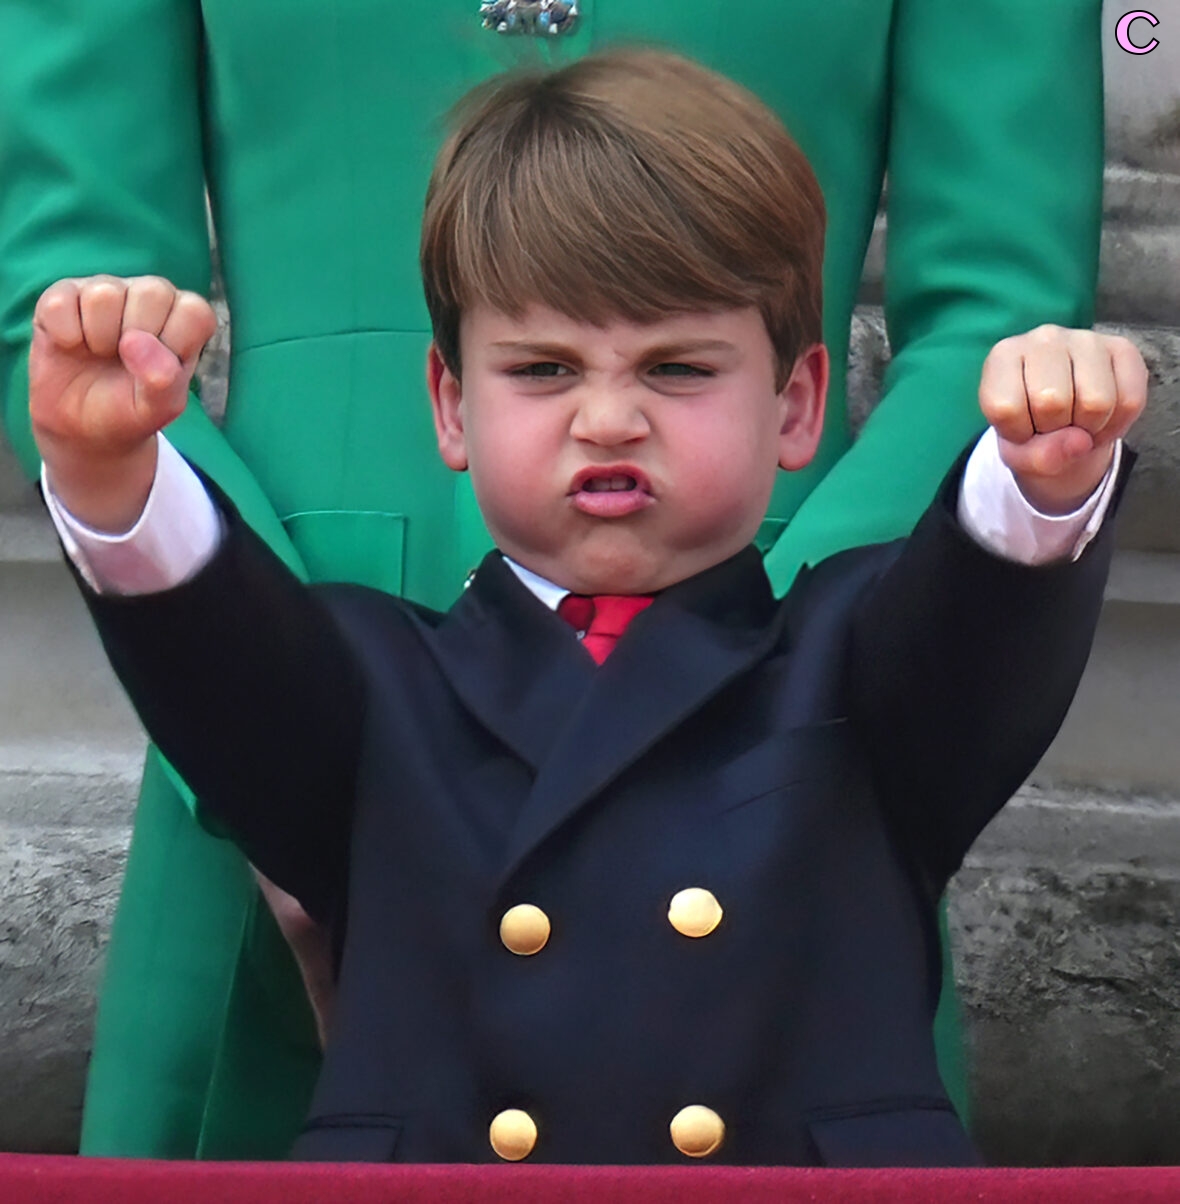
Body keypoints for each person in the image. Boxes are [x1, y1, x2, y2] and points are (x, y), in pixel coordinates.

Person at [0, 1, 1106, 1158]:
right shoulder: (358, 691)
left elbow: (998, 326)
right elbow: (76, 284)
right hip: (293, 638)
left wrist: (775, 674)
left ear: (796, 401)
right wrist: (125, 477)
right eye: (544, 371)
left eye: (672, 369)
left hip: (795, 729)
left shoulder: (854, 685)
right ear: (449, 401)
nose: (608, 417)